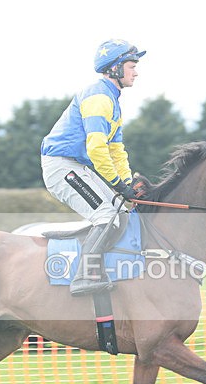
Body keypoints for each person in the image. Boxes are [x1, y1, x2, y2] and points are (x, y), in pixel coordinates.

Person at [40, 39, 146, 296]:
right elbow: (97, 149)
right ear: (115, 69)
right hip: (61, 166)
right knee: (108, 217)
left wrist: (127, 183)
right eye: (132, 66)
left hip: (77, 166)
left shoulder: (113, 100)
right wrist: (118, 184)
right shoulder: (99, 98)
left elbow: (116, 149)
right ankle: (83, 277)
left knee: (119, 212)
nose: (136, 72)